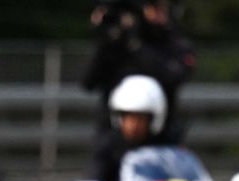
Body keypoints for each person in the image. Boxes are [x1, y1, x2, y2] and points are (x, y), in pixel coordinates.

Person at [81, 0, 193, 142]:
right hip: (113, 139)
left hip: (160, 139)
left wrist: (137, 46)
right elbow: (88, 82)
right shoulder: (118, 44)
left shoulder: (173, 44)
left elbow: (174, 76)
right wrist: (108, 41)